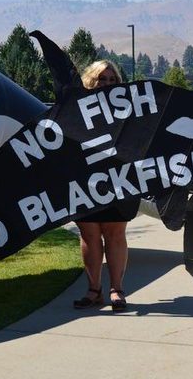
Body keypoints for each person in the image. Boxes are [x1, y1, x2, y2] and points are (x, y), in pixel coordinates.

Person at [73, 60, 139, 312]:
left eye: (112, 80)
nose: (108, 84)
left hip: (118, 178)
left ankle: (117, 289)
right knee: (89, 234)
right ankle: (93, 289)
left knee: (114, 234)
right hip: (83, 179)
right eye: (103, 79)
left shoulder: (129, 110)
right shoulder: (76, 109)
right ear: (91, 80)